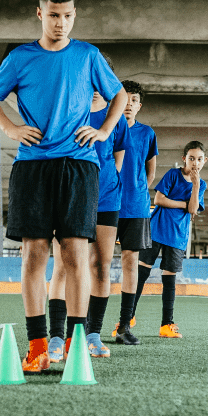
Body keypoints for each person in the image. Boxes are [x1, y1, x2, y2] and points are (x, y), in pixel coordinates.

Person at [0, 0, 126, 373]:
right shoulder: (20, 57)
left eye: (68, 16)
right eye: (55, 15)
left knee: (76, 254)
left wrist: (104, 130)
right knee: (34, 255)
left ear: (73, 15)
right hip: (32, 165)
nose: (61, 23)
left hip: (79, 165)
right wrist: (10, 130)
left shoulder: (88, 55)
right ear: (40, 13)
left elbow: (120, 96)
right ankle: (39, 346)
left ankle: (77, 343)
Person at [44, 64, 129, 359]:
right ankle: (57, 337)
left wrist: (102, 186)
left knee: (101, 266)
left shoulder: (116, 119)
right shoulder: (69, 110)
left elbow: (117, 162)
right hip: (69, 196)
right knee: (62, 265)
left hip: (105, 198)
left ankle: (92, 334)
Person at [133, 142, 207, 338]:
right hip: (156, 230)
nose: (195, 163)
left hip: (177, 236)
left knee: (170, 281)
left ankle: (166, 324)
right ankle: (127, 318)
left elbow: (193, 209)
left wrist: (196, 185)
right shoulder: (173, 175)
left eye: (199, 159)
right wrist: (183, 203)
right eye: (191, 158)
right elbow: (158, 199)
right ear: (184, 159)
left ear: (204, 161)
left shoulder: (202, 185)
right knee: (141, 275)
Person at [111, 81, 157, 345]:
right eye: (124, 98)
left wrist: (137, 191)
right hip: (107, 204)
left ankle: (124, 326)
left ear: (140, 105)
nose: (128, 103)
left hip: (136, 207)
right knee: (97, 263)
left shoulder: (147, 133)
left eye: (134, 100)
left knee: (131, 263)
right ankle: (87, 327)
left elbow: (150, 171)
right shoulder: (107, 127)